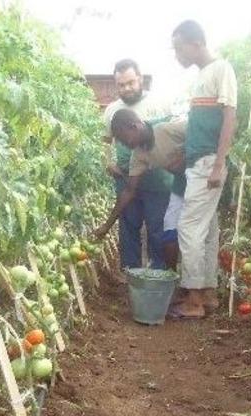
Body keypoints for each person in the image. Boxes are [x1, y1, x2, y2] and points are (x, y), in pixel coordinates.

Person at [169, 20, 238, 318]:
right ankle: (207, 294)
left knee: (189, 227)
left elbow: (229, 118)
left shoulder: (222, 69)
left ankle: (194, 300)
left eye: (178, 47)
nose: (177, 54)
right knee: (207, 229)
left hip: (208, 162)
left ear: (196, 43)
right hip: (200, 161)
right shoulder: (202, 76)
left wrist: (218, 164)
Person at [92, 109, 187, 271]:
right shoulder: (138, 155)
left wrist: (184, 154)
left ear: (134, 126)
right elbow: (129, 192)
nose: (123, 144)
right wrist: (107, 226)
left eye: (123, 138)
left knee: (189, 233)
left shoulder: (166, 129)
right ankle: (168, 278)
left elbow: (201, 134)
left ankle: (186, 283)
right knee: (170, 232)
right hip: (181, 186)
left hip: (201, 179)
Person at [101, 59, 172, 272]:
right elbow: (105, 142)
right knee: (128, 226)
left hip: (158, 179)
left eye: (130, 82)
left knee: (156, 227)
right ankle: (130, 271)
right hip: (125, 176)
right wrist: (108, 162)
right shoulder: (112, 110)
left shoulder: (159, 102)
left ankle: (157, 272)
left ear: (140, 79)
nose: (126, 88)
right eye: (121, 85)